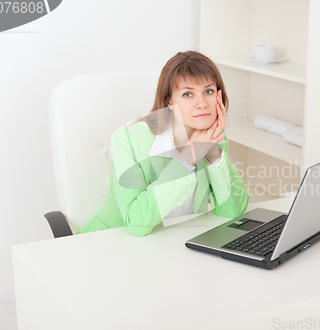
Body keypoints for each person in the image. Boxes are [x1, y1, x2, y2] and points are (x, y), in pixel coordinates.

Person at [78, 51, 249, 236]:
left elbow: (232, 210)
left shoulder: (212, 137)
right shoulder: (128, 140)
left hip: (172, 245)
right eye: (187, 94)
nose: (202, 103)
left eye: (208, 91)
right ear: (169, 100)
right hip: (107, 242)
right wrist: (188, 158)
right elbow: (136, 223)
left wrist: (212, 150)